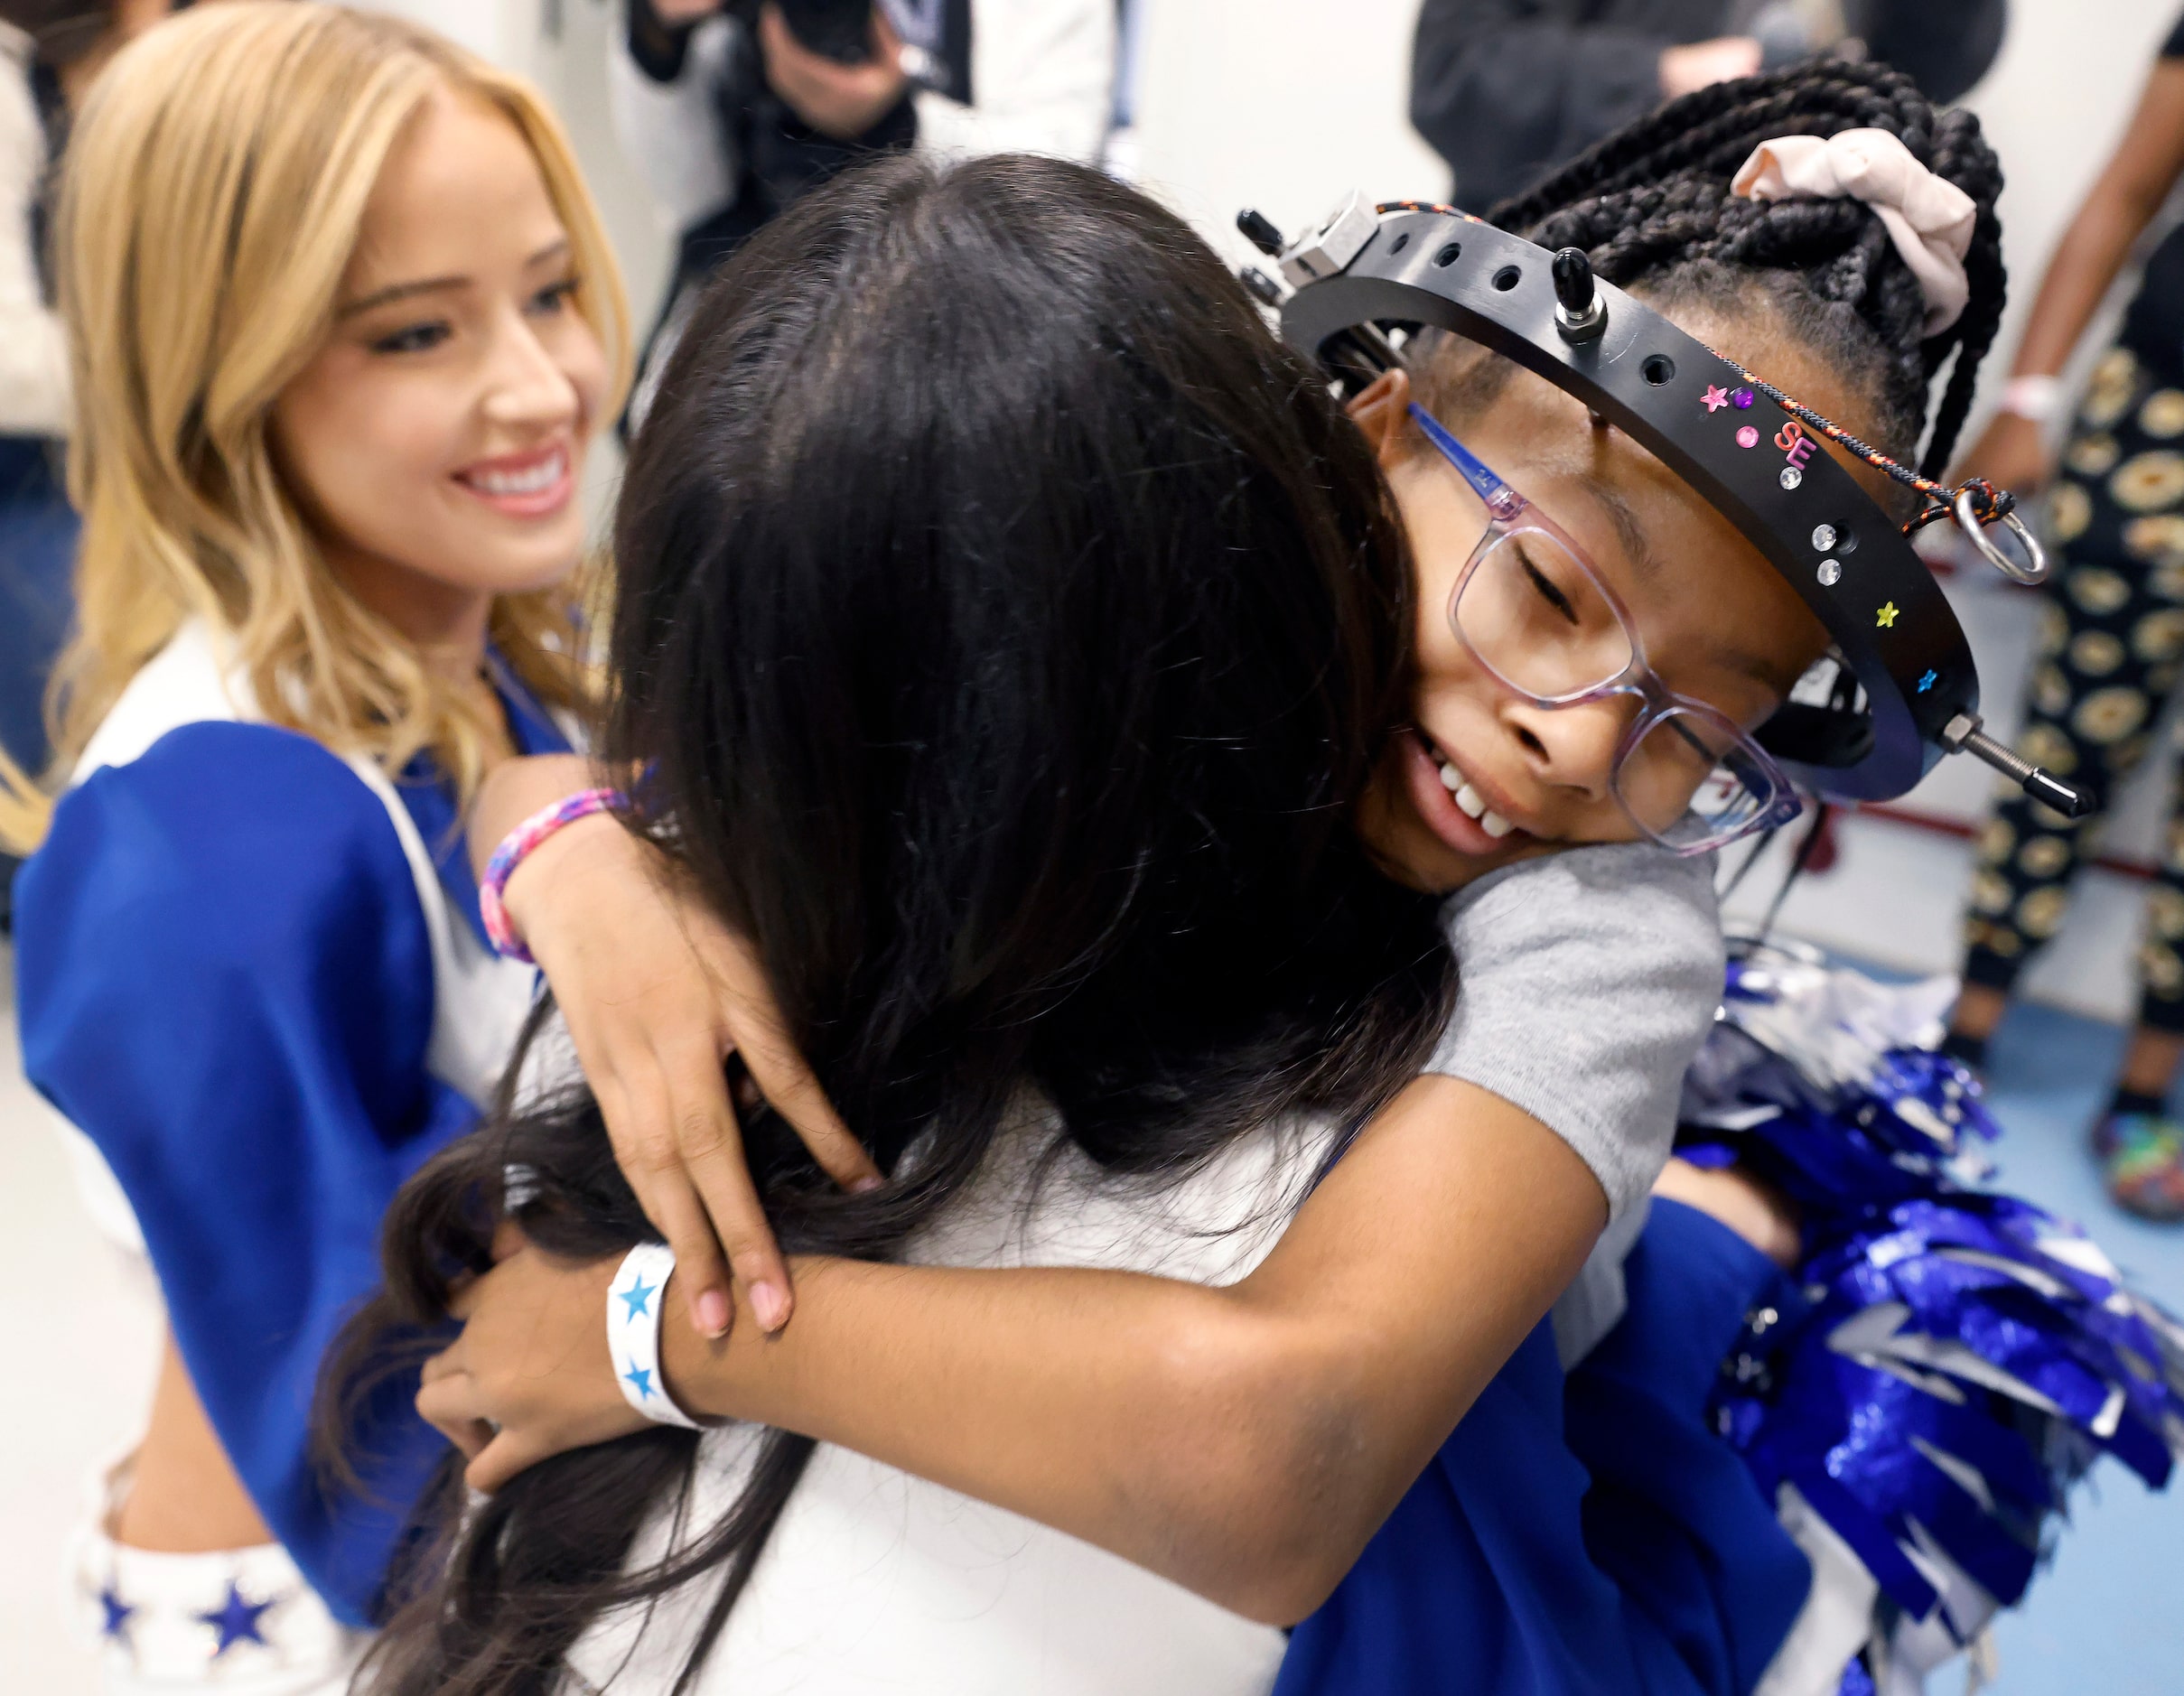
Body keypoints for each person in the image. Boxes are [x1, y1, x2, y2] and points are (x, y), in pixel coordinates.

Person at [353, 61, 2030, 1695]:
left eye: (1690, 729)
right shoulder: (1195, 593)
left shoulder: (1609, 905)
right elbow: (640, 773)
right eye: (1551, 594)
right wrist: (568, 848)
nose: (1583, 748)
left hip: (1441, 1440)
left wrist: (662, 1332)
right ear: (1375, 421)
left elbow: (1282, 1447)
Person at [3, 5, 629, 1689]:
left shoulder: (469, 649)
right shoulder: (208, 840)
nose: (538, 380)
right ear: (223, 364)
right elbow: (418, 1436)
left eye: (552, 290)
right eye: (416, 332)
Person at [1943, 12, 2184, 1224]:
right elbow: (2125, 194)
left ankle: (2145, 1092)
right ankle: (1961, 1040)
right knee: (2065, 743)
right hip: (2161, 428)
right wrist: (2027, 399)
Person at [611, 0, 1113, 425]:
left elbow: (1058, 177)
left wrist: (894, 126)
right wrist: (657, 36)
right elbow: (686, 195)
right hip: (747, 340)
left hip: (963, 337)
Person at [1406, 0, 2006, 213]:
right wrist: (1665, 77)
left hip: (1757, 330)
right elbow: (1452, 73)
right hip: (1537, 292)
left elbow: (1944, 61)